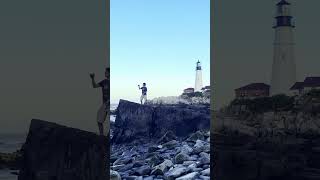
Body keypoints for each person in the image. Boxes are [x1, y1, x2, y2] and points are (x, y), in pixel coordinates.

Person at [90, 67, 110, 136]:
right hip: (105, 104)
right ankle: (101, 135)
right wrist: (92, 78)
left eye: (106, 72)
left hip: (110, 104)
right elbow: (94, 86)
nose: (105, 73)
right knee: (99, 120)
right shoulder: (104, 81)